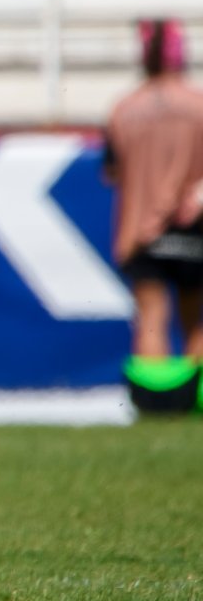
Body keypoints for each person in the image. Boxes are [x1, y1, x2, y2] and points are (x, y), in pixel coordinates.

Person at [104, 19, 203, 361]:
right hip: (194, 223)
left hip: (141, 228)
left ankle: (157, 400)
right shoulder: (198, 103)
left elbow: (112, 170)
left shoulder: (124, 109)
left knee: (150, 318)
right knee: (195, 320)